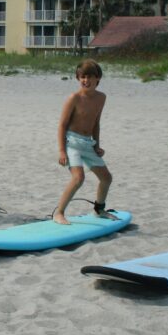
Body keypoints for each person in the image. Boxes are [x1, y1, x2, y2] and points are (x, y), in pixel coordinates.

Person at [53, 59, 118, 225]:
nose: (86, 81)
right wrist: (61, 151)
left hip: (88, 144)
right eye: (82, 77)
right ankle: (59, 213)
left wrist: (97, 145)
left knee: (106, 178)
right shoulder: (73, 98)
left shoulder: (101, 98)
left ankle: (99, 210)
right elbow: (62, 125)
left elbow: (96, 123)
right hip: (71, 143)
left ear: (98, 79)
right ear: (77, 78)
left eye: (90, 77)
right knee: (78, 178)